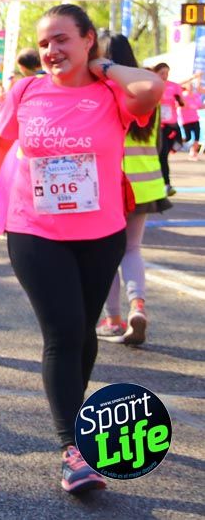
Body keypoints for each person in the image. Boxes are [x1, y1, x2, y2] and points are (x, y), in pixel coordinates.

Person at [0, 4, 162, 495]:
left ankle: (76, 420)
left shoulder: (112, 92)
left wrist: (105, 67)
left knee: (83, 333)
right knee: (63, 333)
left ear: (88, 39)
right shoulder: (26, 91)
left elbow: (151, 88)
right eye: (45, 42)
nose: (51, 50)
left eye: (62, 39)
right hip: (35, 232)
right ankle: (74, 450)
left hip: (101, 234)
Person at [91, 33, 171, 346]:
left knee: (106, 253)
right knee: (133, 249)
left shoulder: (104, 91)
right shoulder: (149, 89)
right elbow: (158, 144)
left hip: (113, 183)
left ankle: (113, 319)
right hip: (147, 183)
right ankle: (138, 305)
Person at [154, 63, 183, 197]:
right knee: (162, 155)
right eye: (162, 73)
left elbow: (183, 103)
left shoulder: (174, 86)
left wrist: (179, 100)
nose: (165, 76)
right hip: (158, 126)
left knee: (172, 149)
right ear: (156, 73)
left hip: (172, 125)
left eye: (167, 73)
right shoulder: (152, 84)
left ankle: (164, 183)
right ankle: (165, 183)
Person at [180, 78, 201, 160]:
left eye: (192, 86)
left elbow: (199, 106)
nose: (191, 87)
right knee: (188, 138)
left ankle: (193, 153)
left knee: (197, 138)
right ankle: (177, 141)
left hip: (195, 120)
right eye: (190, 86)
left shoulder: (196, 96)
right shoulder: (183, 96)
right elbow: (180, 105)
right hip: (186, 121)